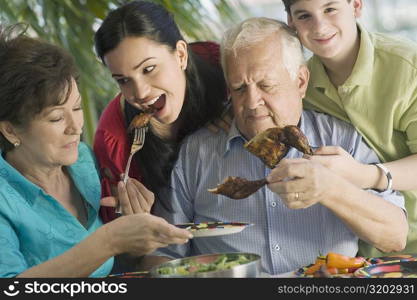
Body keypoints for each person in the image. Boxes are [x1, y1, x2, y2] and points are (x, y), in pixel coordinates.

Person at [143, 18, 408, 275]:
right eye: (238, 88)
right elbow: (163, 253)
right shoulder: (197, 152)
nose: (252, 101)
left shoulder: (342, 140)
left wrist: (331, 189)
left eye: (266, 85)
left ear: (301, 82)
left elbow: (395, 237)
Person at [0, 25, 192, 278]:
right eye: (56, 118)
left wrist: (132, 231)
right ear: (11, 131)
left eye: (77, 108)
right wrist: (108, 241)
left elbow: (113, 266)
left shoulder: (84, 162)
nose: (75, 127)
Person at [282, 0, 417, 258]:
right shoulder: (301, 84)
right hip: (364, 254)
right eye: (304, 16)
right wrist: (224, 116)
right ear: (291, 21)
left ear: (356, 6)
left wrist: (364, 175)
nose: (319, 26)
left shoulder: (408, 67)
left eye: (330, 9)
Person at [93, 0, 228, 221]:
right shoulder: (114, 141)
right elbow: (122, 243)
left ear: (181, 55)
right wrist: (134, 225)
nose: (140, 92)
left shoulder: (222, 67)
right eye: (123, 80)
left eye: (148, 69)